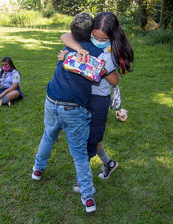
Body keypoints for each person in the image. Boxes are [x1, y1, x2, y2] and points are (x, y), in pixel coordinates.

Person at [31, 12, 103, 213]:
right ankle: (88, 197)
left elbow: (66, 35)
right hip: (74, 109)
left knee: (48, 136)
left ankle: (38, 169)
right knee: (79, 153)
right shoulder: (95, 52)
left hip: (52, 100)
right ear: (93, 32)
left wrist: (74, 51)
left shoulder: (68, 45)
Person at [60, 12, 134, 188]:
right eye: (94, 36)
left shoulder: (111, 54)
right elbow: (65, 36)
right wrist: (78, 49)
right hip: (84, 95)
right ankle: (109, 163)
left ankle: (82, 178)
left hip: (98, 100)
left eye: (103, 39)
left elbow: (99, 75)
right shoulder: (88, 42)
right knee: (91, 137)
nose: (97, 41)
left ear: (112, 36)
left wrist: (68, 57)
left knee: (89, 141)